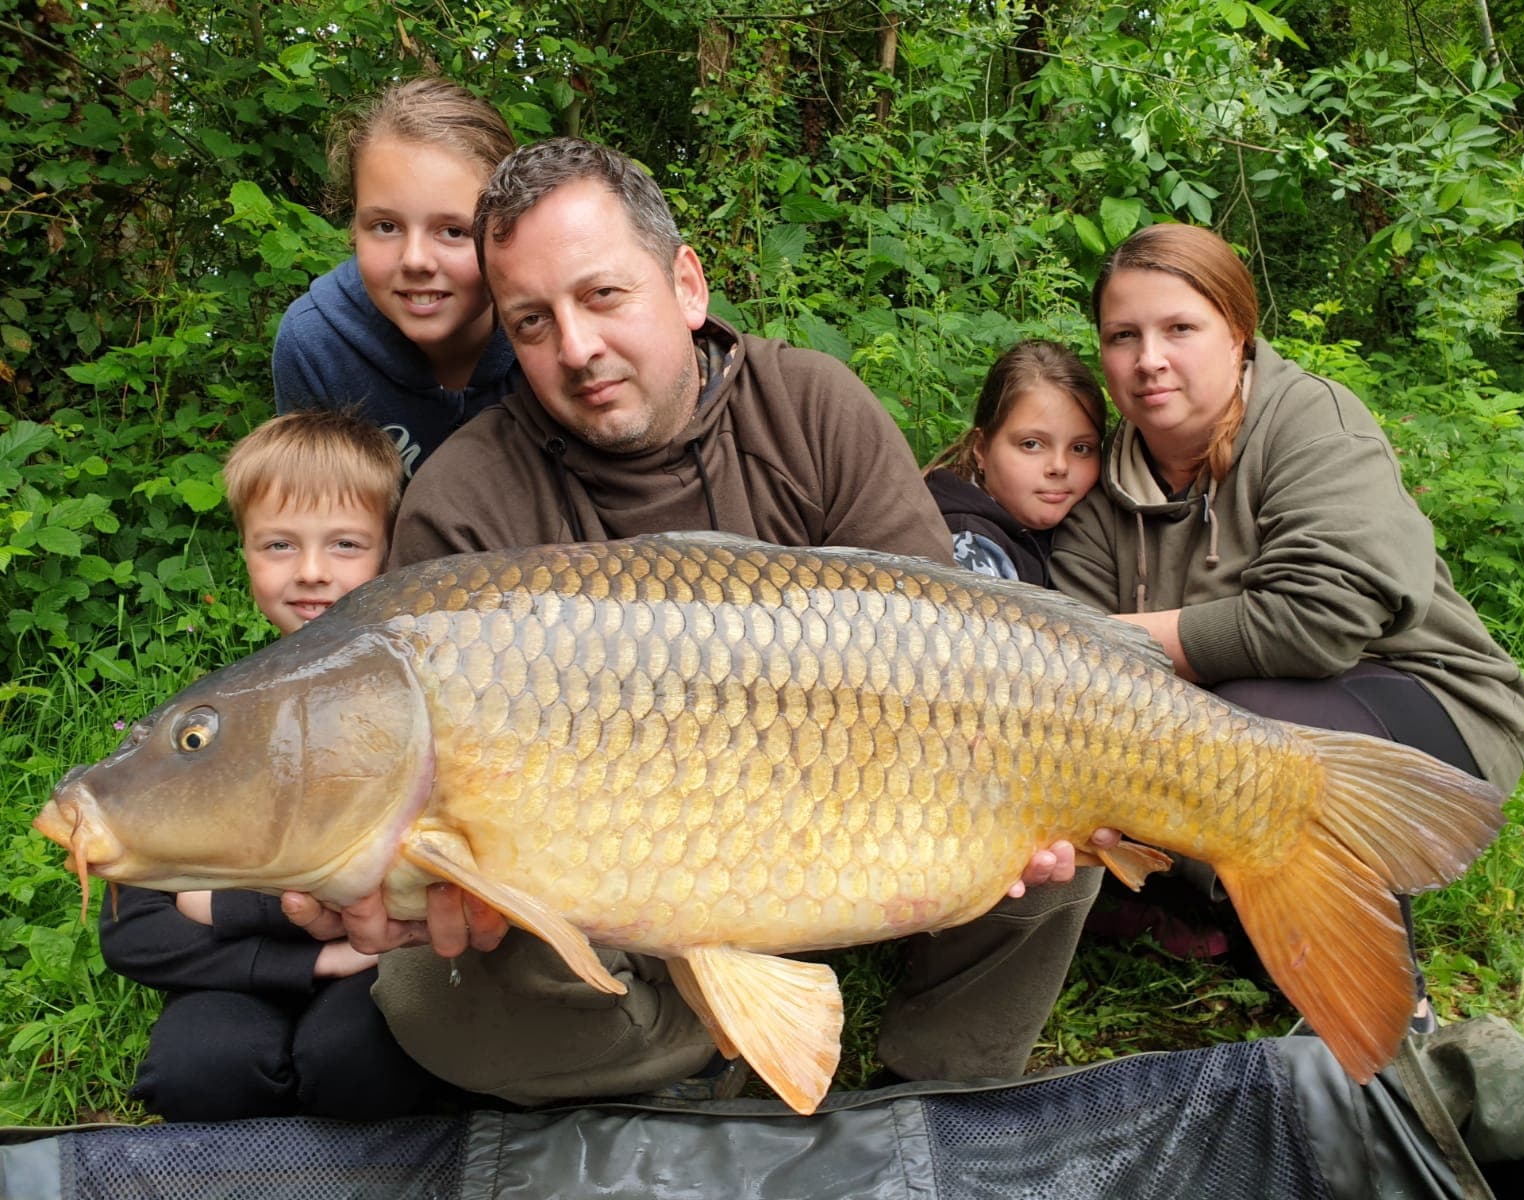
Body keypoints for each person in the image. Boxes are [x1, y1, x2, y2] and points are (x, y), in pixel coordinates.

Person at [281, 137, 1114, 1103]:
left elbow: (950, 657)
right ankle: (705, 1048)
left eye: (602, 298)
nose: (577, 348)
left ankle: (937, 1091)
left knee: (1065, 810)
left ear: (685, 284)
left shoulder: (812, 409)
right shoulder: (465, 505)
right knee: (429, 990)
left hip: (866, 836)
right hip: (614, 911)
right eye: (533, 322)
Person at [1050, 222, 1524, 1026]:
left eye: (1180, 328)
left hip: (1423, 704)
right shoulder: (1102, 487)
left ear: (1237, 332)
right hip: (1211, 722)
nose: (1149, 359)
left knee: (1249, 735)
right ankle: (1214, 913)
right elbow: (1062, 672)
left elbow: (1319, 620)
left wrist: (1118, 647)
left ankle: (1387, 1008)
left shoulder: (1310, 420)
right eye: (1122, 336)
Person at [99, 410, 468, 1120]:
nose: (310, 571)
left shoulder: (426, 704)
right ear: (242, 551)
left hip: (384, 969)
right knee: (197, 1069)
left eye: (345, 544)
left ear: (392, 553)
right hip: (238, 980)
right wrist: (310, 959)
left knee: (355, 1062)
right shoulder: (215, 716)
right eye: (278, 544)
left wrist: (213, 905)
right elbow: (133, 931)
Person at [271, 77, 520, 478]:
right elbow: (319, 519)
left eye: (453, 231)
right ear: (354, 224)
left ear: (504, 229)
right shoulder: (316, 345)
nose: (415, 260)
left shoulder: (553, 327)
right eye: (386, 226)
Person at [924, 339, 1105, 584]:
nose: (1060, 466)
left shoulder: (1084, 526)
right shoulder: (967, 548)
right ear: (981, 448)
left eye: (1081, 448)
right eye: (1031, 444)